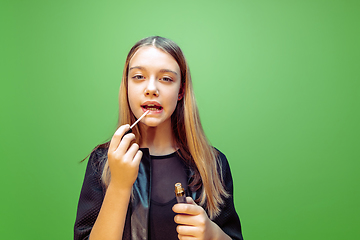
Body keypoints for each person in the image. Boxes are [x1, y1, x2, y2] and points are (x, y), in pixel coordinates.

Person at [74, 36, 244, 240]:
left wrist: (213, 235)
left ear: (180, 91)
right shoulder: (101, 161)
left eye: (166, 79)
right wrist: (119, 185)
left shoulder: (213, 164)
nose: (151, 89)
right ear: (126, 86)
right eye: (138, 77)